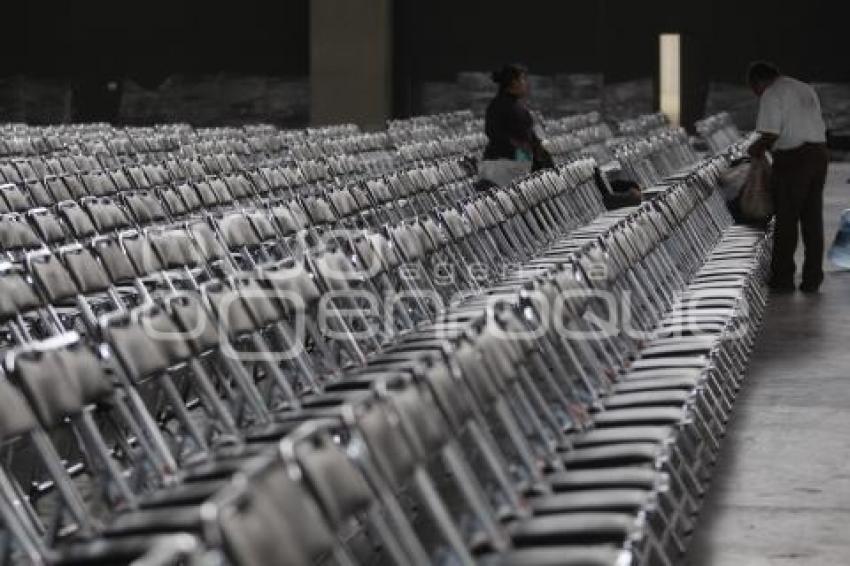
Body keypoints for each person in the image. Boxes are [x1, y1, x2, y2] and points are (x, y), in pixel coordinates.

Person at [747, 61, 829, 293]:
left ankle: (782, 279)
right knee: (812, 219)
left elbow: (770, 133)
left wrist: (753, 150)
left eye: (754, 89)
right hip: (819, 154)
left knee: (786, 220)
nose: (756, 94)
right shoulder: (805, 88)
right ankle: (812, 279)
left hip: (795, 160)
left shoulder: (772, 93)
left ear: (758, 82)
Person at [478, 64, 553, 188]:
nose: (525, 84)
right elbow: (496, 134)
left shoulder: (515, 106)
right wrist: (523, 148)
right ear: (513, 83)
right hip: (503, 168)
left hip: (512, 164)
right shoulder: (501, 107)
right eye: (522, 79)